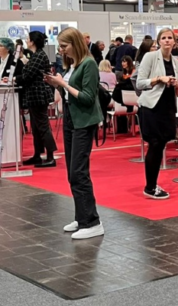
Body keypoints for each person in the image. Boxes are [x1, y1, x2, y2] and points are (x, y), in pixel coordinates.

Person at [44, 27, 104, 240]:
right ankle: (82, 217)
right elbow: (71, 95)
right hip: (72, 119)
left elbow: (87, 97)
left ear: (75, 43)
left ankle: (92, 221)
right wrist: (58, 85)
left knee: (78, 172)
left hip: (84, 122)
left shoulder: (88, 64)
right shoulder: (74, 64)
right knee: (72, 172)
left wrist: (63, 84)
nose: (61, 50)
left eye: (64, 46)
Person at [136, 28, 178, 199]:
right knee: (155, 145)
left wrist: (175, 84)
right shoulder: (150, 57)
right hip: (151, 107)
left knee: (161, 145)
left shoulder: (177, 63)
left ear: (174, 42)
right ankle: (150, 187)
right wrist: (158, 79)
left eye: (170, 38)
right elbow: (140, 83)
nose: (167, 41)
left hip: (168, 107)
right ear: (159, 41)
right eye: (164, 38)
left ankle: (152, 185)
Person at [15, 31, 57, 168]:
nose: (26, 41)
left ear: (32, 41)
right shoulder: (36, 55)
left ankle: (50, 156)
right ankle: (38, 154)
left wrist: (16, 78)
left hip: (38, 95)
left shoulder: (39, 56)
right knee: (36, 127)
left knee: (43, 126)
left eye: (28, 39)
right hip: (35, 95)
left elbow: (27, 75)